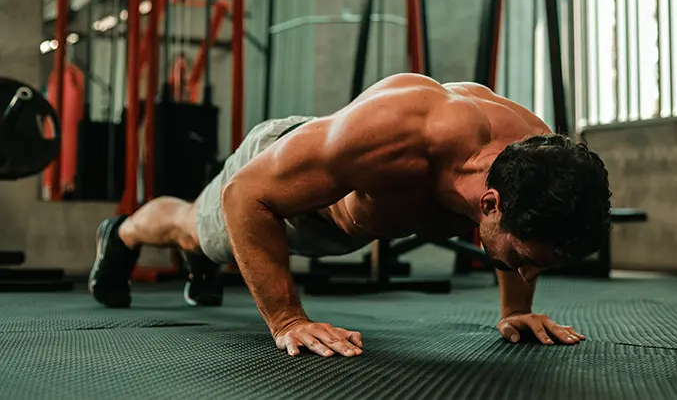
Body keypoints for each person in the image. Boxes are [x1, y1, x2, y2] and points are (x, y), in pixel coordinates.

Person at [89, 73, 611, 358]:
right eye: (520, 259)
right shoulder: (400, 132)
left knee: (208, 246)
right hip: (289, 193)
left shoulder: (533, 158)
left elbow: (527, 237)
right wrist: (288, 320)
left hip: (350, 218)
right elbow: (245, 197)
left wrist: (513, 310)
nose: (524, 271)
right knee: (195, 231)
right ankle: (124, 234)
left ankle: (201, 259)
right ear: (489, 204)